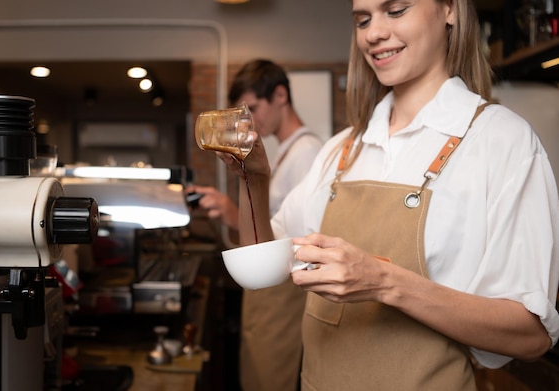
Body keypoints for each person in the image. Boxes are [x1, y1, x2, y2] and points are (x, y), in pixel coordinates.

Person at [217, 0, 559, 389]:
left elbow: (531, 335)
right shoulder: (342, 149)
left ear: (450, 10)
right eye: (363, 19)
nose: (373, 33)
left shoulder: (500, 141)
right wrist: (255, 179)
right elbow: (260, 268)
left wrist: (384, 282)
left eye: (395, 10)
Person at [189, 59, 323, 391]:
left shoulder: (308, 153)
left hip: (284, 297)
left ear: (280, 95)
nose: (251, 119)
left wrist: (232, 210)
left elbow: (296, 242)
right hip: (268, 293)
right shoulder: (283, 153)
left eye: (254, 108)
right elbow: (270, 226)